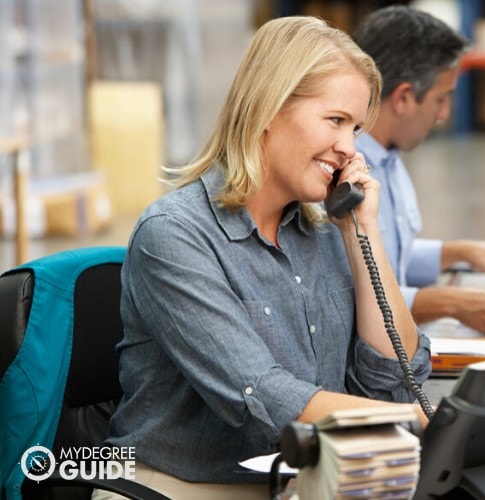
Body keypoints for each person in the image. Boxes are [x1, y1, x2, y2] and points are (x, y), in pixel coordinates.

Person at [97, 16, 432, 499]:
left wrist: (364, 233)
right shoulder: (174, 235)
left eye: (355, 129)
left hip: (300, 479)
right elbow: (263, 394)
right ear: (268, 108)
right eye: (335, 121)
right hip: (181, 486)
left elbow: (392, 382)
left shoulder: (322, 232)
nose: (348, 148)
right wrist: (422, 425)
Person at [353, 6, 485, 337]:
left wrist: (458, 253)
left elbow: (385, 258)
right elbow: (350, 294)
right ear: (404, 97)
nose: (444, 114)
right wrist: (451, 303)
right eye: (441, 99)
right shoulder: (345, 176)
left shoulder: (388, 159)